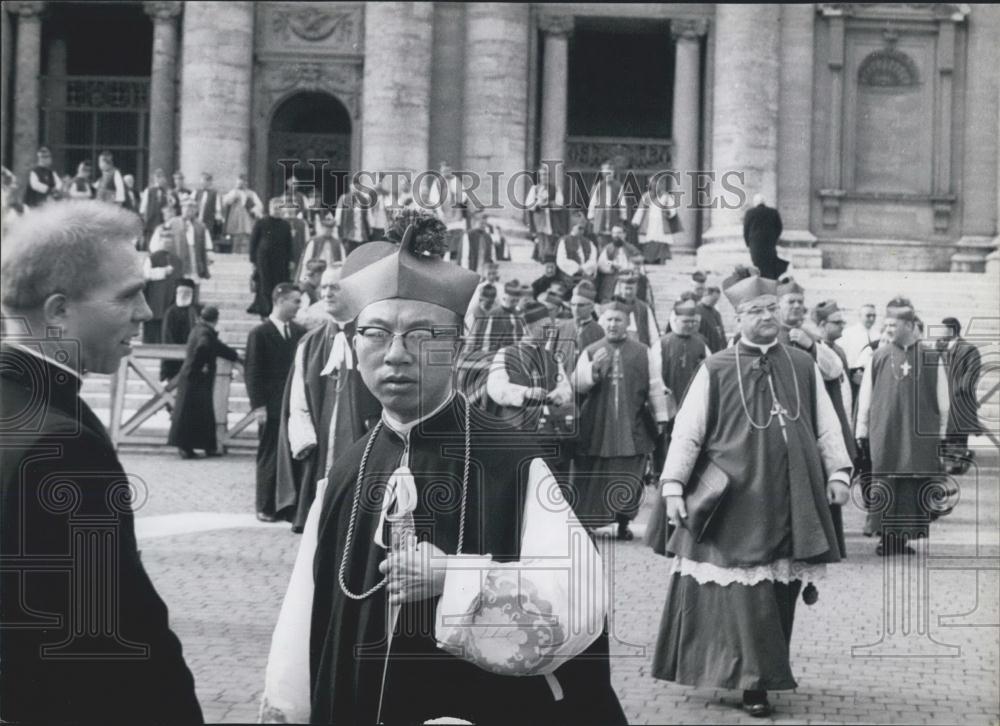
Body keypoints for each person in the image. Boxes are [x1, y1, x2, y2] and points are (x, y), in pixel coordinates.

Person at [260, 214, 623, 724]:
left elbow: (580, 606)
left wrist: (454, 579)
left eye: (421, 335)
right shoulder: (345, 472)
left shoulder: (516, 463)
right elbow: (304, 623)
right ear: (354, 344)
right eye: (376, 334)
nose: (396, 355)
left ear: (456, 345)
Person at [0, 200, 203, 722]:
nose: (146, 313)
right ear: (59, 310)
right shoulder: (62, 444)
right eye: (128, 296)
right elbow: (112, 640)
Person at [652, 266, 851, 718]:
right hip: (733, 501)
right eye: (754, 310)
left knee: (776, 593)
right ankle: (752, 683)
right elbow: (687, 432)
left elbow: (825, 425)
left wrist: (838, 473)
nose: (766, 316)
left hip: (788, 499)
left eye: (770, 308)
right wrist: (673, 486)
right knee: (744, 596)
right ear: (737, 318)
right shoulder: (716, 368)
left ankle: (756, 676)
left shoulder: (802, 364)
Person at [275, 268, 379, 533]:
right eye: (323, 288)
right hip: (322, 442)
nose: (326, 293)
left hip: (361, 436)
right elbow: (298, 395)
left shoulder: (374, 339)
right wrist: (304, 435)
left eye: (335, 287)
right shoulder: (310, 343)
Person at [855, 298, 950, 555]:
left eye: (892, 324)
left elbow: (943, 399)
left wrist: (941, 434)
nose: (887, 328)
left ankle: (903, 538)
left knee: (911, 483)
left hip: (920, 434)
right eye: (885, 324)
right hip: (885, 431)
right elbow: (866, 396)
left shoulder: (931, 357)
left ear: (909, 325)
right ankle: (885, 538)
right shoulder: (879, 356)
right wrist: (861, 430)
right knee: (885, 480)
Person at [571, 300, 672, 540]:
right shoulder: (591, 350)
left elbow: (655, 386)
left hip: (632, 423)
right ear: (601, 321)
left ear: (627, 323)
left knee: (629, 473)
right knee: (592, 473)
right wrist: (593, 371)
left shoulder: (642, 351)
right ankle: (588, 521)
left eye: (618, 320)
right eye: (609, 319)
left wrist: (660, 416)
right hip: (596, 423)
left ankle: (623, 521)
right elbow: (576, 384)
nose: (613, 324)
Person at [645, 298, 712, 555]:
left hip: (695, 410)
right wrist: (662, 406)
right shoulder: (662, 344)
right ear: (675, 320)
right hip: (671, 409)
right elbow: (656, 377)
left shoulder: (701, 344)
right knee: (667, 462)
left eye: (692, 321)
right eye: (684, 321)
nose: (688, 325)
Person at [487, 301, 574, 485]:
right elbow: (495, 387)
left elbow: (565, 388)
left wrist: (557, 395)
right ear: (528, 327)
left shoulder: (552, 357)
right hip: (515, 427)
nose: (550, 331)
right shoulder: (506, 353)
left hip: (547, 431)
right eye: (545, 327)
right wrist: (526, 393)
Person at [246, 283, 306, 522]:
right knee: (269, 454)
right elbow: (252, 371)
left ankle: (288, 505)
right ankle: (265, 504)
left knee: (293, 454)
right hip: (270, 405)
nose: (299, 306)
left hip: (292, 403)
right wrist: (258, 406)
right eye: (295, 301)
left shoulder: (300, 333)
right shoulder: (259, 333)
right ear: (280, 301)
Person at [167, 305, 241, 459]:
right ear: (215, 319)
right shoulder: (205, 333)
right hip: (197, 378)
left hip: (191, 377)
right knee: (199, 414)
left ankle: (188, 447)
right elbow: (205, 346)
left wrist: (233, 355)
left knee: (190, 414)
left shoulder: (198, 329)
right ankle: (196, 447)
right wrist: (203, 366)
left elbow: (215, 346)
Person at [937, 317, 983, 473]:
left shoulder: (968, 349)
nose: (939, 332)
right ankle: (954, 460)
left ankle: (960, 460)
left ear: (952, 330)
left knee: (958, 433)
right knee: (946, 432)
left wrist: (957, 389)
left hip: (959, 399)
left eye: (942, 329)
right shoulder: (940, 348)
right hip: (943, 396)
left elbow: (972, 372)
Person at [248, 198, 295, 317]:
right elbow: (253, 242)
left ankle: (277, 308)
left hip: (281, 260)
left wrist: (291, 260)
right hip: (264, 259)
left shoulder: (285, 225)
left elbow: (289, 244)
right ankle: (265, 309)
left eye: (279, 208)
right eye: (275, 208)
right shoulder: (261, 222)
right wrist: (253, 260)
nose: (277, 210)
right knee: (264, 283)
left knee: (278, 283)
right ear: (270, 209)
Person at [631, 174, 679, 264]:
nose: (654, 185)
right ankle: (649, 260)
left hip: (661, 223)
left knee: (661, 241)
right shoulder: (646, 196)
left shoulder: (666, 196)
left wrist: (669, 213)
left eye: (656, 183)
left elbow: (672, 209)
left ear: (660, 184)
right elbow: (640, 210)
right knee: (649, 241)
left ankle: (661, 259)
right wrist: (636, 221)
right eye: (651, 183)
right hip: (649, 223)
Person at [160, 278, 201, 381]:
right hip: (173, 361)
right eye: (181, 292)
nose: (183, 295)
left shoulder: (194, 311)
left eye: (187, 292)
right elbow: (167, 337)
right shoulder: (171, 312)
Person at [427, 161, 468, 259]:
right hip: (443, 212)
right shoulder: (437, 182)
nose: (446, 173)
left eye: (448, 170)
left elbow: (464, 196)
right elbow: (434, 199)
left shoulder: (456, 181)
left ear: (451, 171)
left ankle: (456, 255)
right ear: (441, 172)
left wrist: (458, 196)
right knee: (444, 234)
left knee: (457, 233)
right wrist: (440, 213)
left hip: (456, 212)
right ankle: (444, 255)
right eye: (444, 171)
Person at [526, 164, 567, 261]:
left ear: (549, 177)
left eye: (546, 175)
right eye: (542, 175)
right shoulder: (535, 189)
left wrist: (549, 203)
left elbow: (560, 203)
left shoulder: (555, 188)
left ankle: (549, 260)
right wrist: (538, 203)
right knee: (541, 239)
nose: (544, 177)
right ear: (539, 177)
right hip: (540, 218)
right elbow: (528, 204)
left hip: (551, 218)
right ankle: (541, 258)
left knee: (551, 239)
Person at [841, 303, 879, 403]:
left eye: (874, 316)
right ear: (860, 316)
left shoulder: (878, 334)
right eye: (868, 315)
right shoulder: (848, 333)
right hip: (852, 375)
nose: (871, 319)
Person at [742, 193, 787, 279]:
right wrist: (774, 239)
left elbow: (745, 230)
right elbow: (779, 227)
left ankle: (760, 283)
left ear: (755, 203)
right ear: (764, 202)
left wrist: (748, 244)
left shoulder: (750, 213)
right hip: (769, 245)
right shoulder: (773, 212)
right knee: (769, 266)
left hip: (755, 245)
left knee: (758, 266)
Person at [296, 210, 345, 282]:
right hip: (317, 271)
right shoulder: (314, 242)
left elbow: (343, 260)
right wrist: (303, 277)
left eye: (330, 229)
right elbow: (306, 260)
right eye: (326, 228)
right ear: (322, 228)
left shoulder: (337, 243)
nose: (328, 230)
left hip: (333, 272)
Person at [587, 160, 627, 247]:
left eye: (610, 172)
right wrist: (591, 216)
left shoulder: (618, 186)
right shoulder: (597, 186)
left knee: (614, 240)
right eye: (605, 172)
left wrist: (623, 217)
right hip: (600, 216)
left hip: (614, 215)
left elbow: (622, 202)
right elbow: (592, 203)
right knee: (601, 242)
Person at [595, 224, 640, 302]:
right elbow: (601, 265)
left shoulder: (632, 249)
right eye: (614, 233)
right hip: (612, 276)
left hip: (628, 276)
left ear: (624, 234)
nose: (616, 235)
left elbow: (638, 264)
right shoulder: (608, 248)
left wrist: (628, 269)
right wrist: (612, 265)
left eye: (619, 233)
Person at [222, 173, 264, 255]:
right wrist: (233, 196)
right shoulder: (233, 192)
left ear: (246, 183)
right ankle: (235, 254)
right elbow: (225, 201)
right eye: (238, 183)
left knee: (246, 238)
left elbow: (259, 206)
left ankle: (246, 254)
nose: (240, 185)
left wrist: (253, 209)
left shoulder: (251, 193)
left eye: (242, 182)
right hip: (236, 219)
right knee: (236, 238)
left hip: (247, 219)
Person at [334, 177, 373, 256]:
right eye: (354, 185)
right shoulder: (344, 198)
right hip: (348, 234)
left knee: (361, 256)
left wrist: (370, 228)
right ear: (350, 186)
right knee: (348, 254)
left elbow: (369, 215)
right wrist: (337, 230)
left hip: (361, 234)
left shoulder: (364, 200)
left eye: (358, 186)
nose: (356, 188)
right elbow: (338, 216)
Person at [555, 217, 598, 282]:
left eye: (583, 229)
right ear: (572, 227)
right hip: (568, 275)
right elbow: (561, 260)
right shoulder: (564, 241)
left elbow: (593, 260)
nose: (582, 231)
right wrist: (576, 268)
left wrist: (583, 268)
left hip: (585, 275)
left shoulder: (589, 242)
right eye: (579, 228)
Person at [140, 168, 174, 249]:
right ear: (155, 178)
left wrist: (169, 195)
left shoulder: (167, 191)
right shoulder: (149, 190)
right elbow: (143, 207)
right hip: (151, 221)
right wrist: (144, 220)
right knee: (151, 244)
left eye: (162, 177)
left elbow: (172, 204)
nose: (161, 180)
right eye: (158, 177)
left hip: (162, 222)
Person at [458, 209, 497, 274]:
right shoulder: (468, 235)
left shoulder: (488, 237)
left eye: (485, 220)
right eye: (481, 220)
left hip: (484, 275)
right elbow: (464, 259)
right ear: (475, 221)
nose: (483, 222)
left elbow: (493, 258)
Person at [195, 172, 223, 245]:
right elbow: (191, 202)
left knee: (208, 239)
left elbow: (218, 207)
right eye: (201, 180)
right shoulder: (197, 192)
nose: (202, 182)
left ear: (209, 182)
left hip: (209, 221)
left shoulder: (214, 193)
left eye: (204, 180)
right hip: (197, 219)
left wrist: (218, 219)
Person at [697, 285, 727, 353]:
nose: (715, 302)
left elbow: (721, 332)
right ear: (706, 295)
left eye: (717, 300)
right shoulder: (696, 311)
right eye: (714, 299)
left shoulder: (716, 313)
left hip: (716, 348)